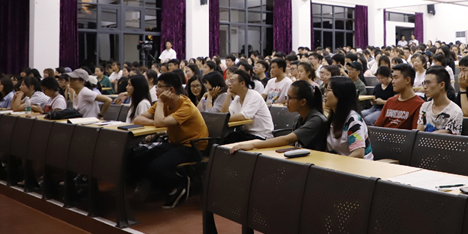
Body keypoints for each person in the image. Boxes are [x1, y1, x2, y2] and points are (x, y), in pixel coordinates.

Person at [132, 72, 208, 208]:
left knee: (157, 166)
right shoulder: (163, 104)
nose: (156, 90)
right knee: (139, 158)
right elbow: (138, 119)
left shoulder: (186, 106)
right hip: (175, 143)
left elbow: (160, 122)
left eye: (159, 86)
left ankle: (180, 183)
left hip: (193, 147)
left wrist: (160, 107)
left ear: (170, 89)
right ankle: (158, 186)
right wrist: (158, 122)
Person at [226, 80, 328, 152]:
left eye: (290, 98)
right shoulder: (299, 118)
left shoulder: (316, 120)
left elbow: (287, 139)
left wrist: (253, 144)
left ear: (303, 102)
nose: (287, 102)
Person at [324, 76, 373, 159]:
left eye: (328, 90)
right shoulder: (333, 118)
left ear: (340, 94)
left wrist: (339, 164)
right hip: (338, 163)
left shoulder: (354, 121)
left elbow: (359, 153)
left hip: (357, 165)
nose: (325, 94)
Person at [219, 70, 274, 142]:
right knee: (227, 137)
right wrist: (228, 95)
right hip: (247, 133)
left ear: (242, 83)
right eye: (229, 81)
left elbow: (244, 116)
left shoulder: (254, 95)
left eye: (232, 81)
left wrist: (223, 119)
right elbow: (224, 114)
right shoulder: (237, 98)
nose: (229, 84)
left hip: (261, 136)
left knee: (231, 140)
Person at [374, 63, 424, 130]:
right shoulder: (390, 101)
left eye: (396, 78)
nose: (393, 82)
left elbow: (415, 132)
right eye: (392, 78)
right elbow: (377, 126)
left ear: (407, 80)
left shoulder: (420, 105)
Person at [417, 66, 463, 135]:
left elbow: (451, 138)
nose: (425, 87)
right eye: (424, 83)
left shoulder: (455, 112)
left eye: (428, 83)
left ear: (442, 85)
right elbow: (419, 134)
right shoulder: (425, 106)